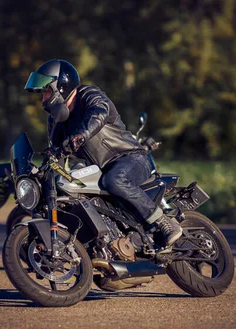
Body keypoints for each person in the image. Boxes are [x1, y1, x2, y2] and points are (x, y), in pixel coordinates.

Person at [24, 59, 182, 247]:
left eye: (47, 92)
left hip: (131, 157)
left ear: (61, 87)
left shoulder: (90, 96)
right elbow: (56, 151)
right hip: (101, 170)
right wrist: (40, 169)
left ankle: (163, 222)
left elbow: (99, 114)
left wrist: (81, 135)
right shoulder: (56, 120)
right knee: (72, 192)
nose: (44, 99)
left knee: (115, 180)